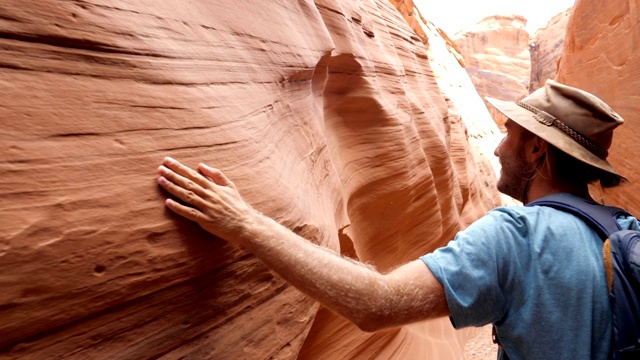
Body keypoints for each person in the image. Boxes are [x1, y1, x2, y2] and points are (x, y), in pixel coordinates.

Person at [155, 80, 638, 360]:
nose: (496, 146)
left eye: (509, 135)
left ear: (537, 150)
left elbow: (376, 305)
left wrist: (244, 223)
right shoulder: (626, 231)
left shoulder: (516, 239)